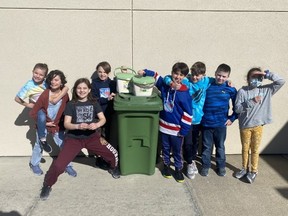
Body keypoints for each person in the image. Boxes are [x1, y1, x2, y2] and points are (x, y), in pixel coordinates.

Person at [40, 78, 120, 200]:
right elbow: (66, 124)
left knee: (113, 153)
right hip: (74, 139)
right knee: (58, 166)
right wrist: (77, 126)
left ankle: (113, 168)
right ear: (75, 90)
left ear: (88, 90)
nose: (81, 90)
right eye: (79, 88)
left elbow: (103, 119)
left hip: (92, 137)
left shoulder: (94, 103)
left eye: (84, 88)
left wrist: (97, 125)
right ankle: (48, 185)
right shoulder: (71, 104)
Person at [138, 62, 192, 183]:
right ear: (172, 73)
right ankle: (166, 166)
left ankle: (178, 169)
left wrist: (184, 130)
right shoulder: (165, 85)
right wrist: (145, 71)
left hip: (177, 130)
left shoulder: (184, 93)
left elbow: (188, 113)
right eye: (175, 73)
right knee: (165, 149)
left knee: (177, 151)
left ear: (184, 77)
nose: (178, 77)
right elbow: (157, 77)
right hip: (163, 127)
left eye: (181, 75)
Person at [15, 63, 69, 175]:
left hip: (53, 113)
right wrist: (28, 105)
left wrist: (56, 99)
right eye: (36, 73)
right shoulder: (29, 85)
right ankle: (34, 163)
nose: (38, 76)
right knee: (38, 142)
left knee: (62, 141)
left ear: (45, 76)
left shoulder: (48, 83)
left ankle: (67, 164)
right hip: (41, 111)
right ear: (32, 71)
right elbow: (17, 98)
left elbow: (65, 88)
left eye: (41, 74)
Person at [234, 68, 285, 183]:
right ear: (248, 78)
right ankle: (244, 169)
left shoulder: (266, 89)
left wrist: (267, 74)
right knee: (245, 149)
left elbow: (281, 81)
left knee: (255, 150)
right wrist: (251, 101)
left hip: (258, 126)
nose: (256, 79)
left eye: (259, 77)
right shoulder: (242, 91)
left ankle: (254, 171)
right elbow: (237, 109)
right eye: (253, 77)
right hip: (245, 126)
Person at [164, 62, 213, 179]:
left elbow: (218, 80)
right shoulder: (186, 81)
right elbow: (166, 77)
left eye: (198, 75)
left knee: (194, 143)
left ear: (203, 75)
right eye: (193, 74)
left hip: (198, 119)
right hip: (186, 120)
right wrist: (171, 83)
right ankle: (189, 163)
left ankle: (192, 160)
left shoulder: (206, 81)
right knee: (187, 143)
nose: (195, 77)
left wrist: (228, 82)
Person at [29, 70, 77, 177]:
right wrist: (45, 124)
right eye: (51, 79)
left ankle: (67, 165)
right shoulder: (45, 94)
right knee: (39, 144)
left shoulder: (64, 95)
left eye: (56, 80)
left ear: (61, 82)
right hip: (43, 125)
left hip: (57, 125)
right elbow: (33, 113)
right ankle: (34, 164)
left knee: (63, 144)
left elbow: (67, 110)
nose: (53, 82)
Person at [200, 63, 238, 177]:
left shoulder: (230, 89)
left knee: (220, 146)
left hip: (221, 124)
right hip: (206, 123)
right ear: (215, 74)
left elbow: (238, 106)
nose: (220, 78)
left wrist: (232, 118)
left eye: (224, 76)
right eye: (219, 75)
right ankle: (205, 166)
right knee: (206, 147)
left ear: (227, 77)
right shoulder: (208, 85)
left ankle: (221, 166)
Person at [91, 61, 117, 169]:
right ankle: (99, 159)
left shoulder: (112, 83)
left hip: (109, 114)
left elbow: (116, 95)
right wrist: (106, 98)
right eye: (100, 72)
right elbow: (94, 99)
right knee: (98, 137)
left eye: (105, 72)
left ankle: (107, 157)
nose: (102, 74)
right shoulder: (94, 84)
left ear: (109, 72)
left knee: (108, 137)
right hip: (98, 115)